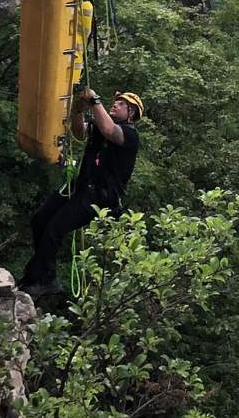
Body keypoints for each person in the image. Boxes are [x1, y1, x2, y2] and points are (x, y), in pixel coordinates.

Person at [19, 88, 145, 295]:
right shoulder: (101, 126)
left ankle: (42, 279)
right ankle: (41, 274)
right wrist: (78, 110)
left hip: (98, 197)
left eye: (122, 104)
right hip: (80, 187)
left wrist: (95, 100)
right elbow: (79, 131)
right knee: (40, 220)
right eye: (116, 102)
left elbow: (109, 131)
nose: (116, 104)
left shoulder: (130, 135)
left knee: (54, 229)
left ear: (131, 114)